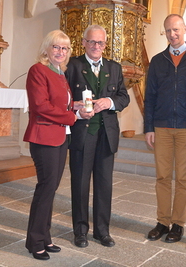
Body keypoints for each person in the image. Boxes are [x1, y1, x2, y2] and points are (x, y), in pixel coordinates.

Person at [65, 24, 129, 248]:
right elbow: (62, 98)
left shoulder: (114, 67)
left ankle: (102, 231)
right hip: (82, 134)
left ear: (105, 45)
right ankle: (80, 231)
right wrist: (75, 108)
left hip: (106, 135)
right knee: (80, 184)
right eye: (91, 41)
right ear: (83, 43)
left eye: (100, 42)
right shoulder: (72, 65)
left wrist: (109, 102)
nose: (95, 46)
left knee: (104, 185)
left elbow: (123, 98)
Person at [24, 30, 78, 260]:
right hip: (43, 137)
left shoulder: (60, 73)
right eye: (56, 47)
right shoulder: (38, 70)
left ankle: (45, 237)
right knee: (45, 188)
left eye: (64, 48)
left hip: (59, 137)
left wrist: (79, 106)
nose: (60, 52)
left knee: (51, 188)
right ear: (46, 49)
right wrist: (71, 117)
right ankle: (34, 241)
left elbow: (63, 103)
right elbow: (41, 106)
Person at [144, 14, 186, 243]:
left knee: (183, 179)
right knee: (163, 176)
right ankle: (162, 221)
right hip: (162, 127)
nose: (172, 34)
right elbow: (150, 96)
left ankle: (178, 224)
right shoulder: (157, 60)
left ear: (185, 29)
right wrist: (148, 127)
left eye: (176, 29)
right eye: (168, 30)